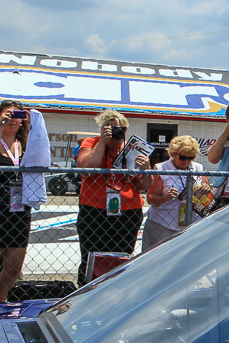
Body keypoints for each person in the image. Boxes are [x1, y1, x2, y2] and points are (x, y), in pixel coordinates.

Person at [75, 109, 153, 287]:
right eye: (114, 129)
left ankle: (118, 291)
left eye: (123, 129)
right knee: (91, 255)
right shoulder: (92, 142)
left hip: (128, 211)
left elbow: (143, 185)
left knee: (122, 255)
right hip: (95, 209)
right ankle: (88, 290)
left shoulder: (132, 148)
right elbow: (86, 168)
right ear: (104, 129)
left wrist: (146, 168)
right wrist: (102, 141)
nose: (119, 133)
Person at [143, 136, 210, 251]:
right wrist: (166, 198)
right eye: (182, 157)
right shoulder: (162, 168)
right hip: (162, 225)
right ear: (174, 154)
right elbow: (150, 198)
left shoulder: (198, 167)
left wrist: (206, 189)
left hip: (191, 225)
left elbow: (207, 188)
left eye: (191, 158)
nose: (186, 161)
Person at [0, 100, 30, 302]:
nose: (13, 120)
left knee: (12, 270)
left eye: (17, 116)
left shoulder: (26, 143)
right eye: (8, 114)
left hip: (19, 212)